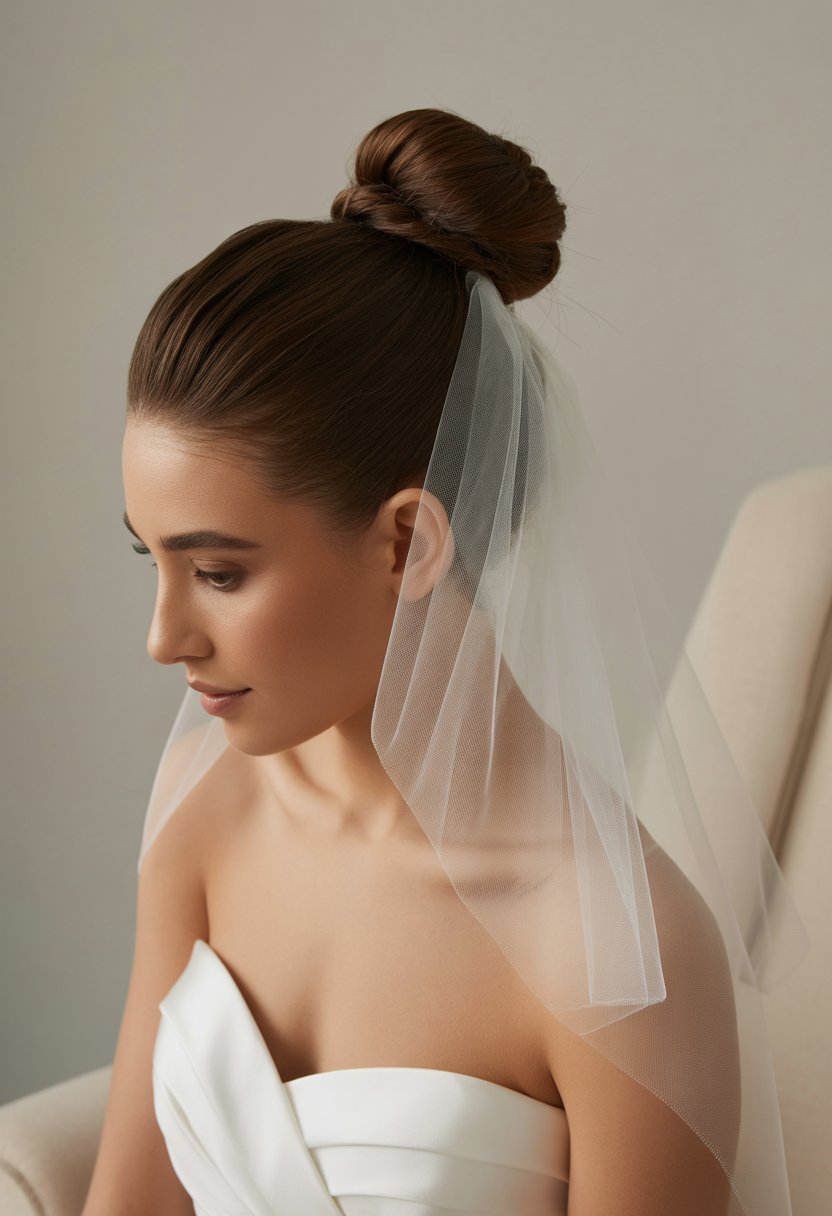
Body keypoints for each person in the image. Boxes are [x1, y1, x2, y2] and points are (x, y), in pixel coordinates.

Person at [81, 108, 806, 1216]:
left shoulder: (612, 945)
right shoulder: (200, 812)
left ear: (407, 544)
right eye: (154, 560)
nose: (162, 637)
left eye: (218, 572)